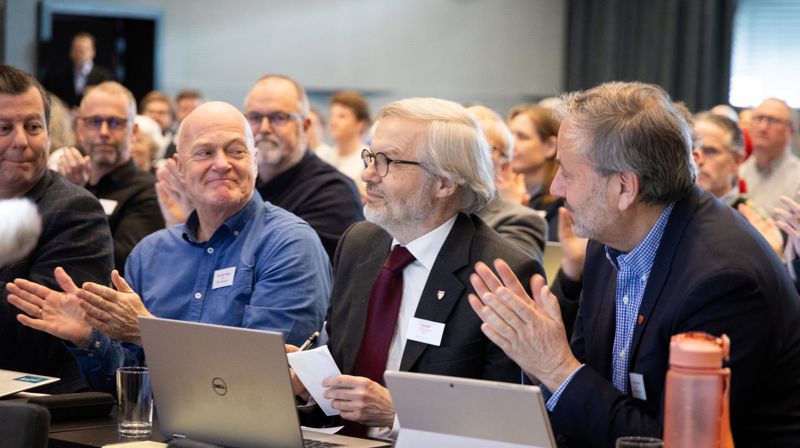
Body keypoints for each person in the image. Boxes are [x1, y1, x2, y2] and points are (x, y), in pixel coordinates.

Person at [468, 82, 800, 446]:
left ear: (625, 188)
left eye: (567, 172)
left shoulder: (723, 280)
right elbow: (592, 382)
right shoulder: (610, 234)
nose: (557, 188)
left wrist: (556, 367)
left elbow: (670, 441)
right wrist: (548, 356)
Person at [7, 101, 332, 393]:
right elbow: (127, 386)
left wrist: (148, 330)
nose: (222, 164)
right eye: (205, 153)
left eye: (236, 151)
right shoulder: (151, 255)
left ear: (255, 161)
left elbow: (265, 378)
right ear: (179, 167)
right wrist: (87, 338)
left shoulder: (289, 244)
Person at [292, 97, 542, 439]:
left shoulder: (499, 274)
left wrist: (397, 413)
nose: (367, 174)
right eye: (369, 157)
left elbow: (506, 426)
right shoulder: (359, 243)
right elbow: (348, 374)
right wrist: (312, 385)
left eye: (387, 162)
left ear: (444, 183)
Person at [0, 65, 113, 393]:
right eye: (4, 127)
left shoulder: (75, 211)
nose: (20, 141)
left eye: (33, 126)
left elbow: (37, 333)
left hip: (39, 407)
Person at [245, 75, 364, 258]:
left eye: (279, 117)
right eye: (255, 117)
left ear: (305, 126)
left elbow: (286, 266)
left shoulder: (334, 193)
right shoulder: (241, 186)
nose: (264, 128)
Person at [51, 82, 164, 274]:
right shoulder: (62, 183)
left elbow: (122, 262)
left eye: (115, 123)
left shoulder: (149, 191)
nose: (103, 132)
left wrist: (76, 200)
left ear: (134, 131)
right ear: (80, 127)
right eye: (94, 121)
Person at [467, 105, 547, 262]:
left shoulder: (519, 219)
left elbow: (508, 276)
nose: (467, 154)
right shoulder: (435, 207)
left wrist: (512, 207)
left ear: (504, 164)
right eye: (461, 145)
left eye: (482, 147)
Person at [507, 104, 564, 241]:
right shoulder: (503, 194)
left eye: (522, 137)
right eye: (508, 136)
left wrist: (514, 210)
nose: (510, 144)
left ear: (550, 146)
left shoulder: (562, 203)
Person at [739, 98, 800, 216]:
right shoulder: (738, 171)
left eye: (773, 121)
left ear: (791, 131)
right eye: (758, 118)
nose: (763, 127)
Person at [318, 90, 370, 189]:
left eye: (342, 116)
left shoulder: (368, 161)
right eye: (331, 115)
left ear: (360, 124)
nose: (333, 121)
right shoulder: (324, 157)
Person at [693, 113, 746, 208]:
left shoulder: (750, 219)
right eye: (692, 149)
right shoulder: (668, 210)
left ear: (737, 161)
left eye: (710, 151)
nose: (698, 160)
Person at [46, 32, 114, 107]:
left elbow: (110, 101)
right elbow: (55, 102)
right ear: (71, 52)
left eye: (83, 49)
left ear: (93, 52)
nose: (79, 53)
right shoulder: (61, 78)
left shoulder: (105, 76)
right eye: (76, 49)